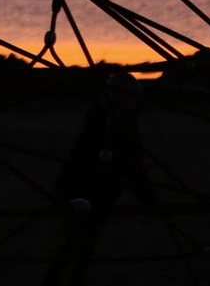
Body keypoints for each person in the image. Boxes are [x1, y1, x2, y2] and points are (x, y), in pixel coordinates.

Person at [44, 73, 155, 284]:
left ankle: (66, 279)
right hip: (80, 189)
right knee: (79, 241)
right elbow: (132, 167)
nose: (129, 103)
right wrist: (149, 198)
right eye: (124, 98)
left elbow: (133, 167)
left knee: (82, 242)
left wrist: (148, 196)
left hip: (98, 193)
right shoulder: (104, 123)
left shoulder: (119, 124)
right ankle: (59, 280)